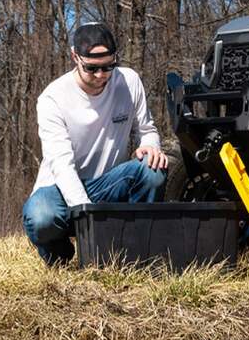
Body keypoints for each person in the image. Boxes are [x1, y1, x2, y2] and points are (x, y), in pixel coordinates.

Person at [22, 22, 169, 265]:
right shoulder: (52, 98)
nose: (101, 75)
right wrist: (89, 220)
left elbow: (147, 130)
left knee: (153, 169)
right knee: (41, 217)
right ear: (75, 57)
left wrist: (151, 146)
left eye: (109, 66)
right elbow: (62, 166)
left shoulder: (129, 81)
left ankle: (137, 250)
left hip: (108, 184)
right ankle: (60, 256)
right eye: (92, 68)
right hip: (59, 189)